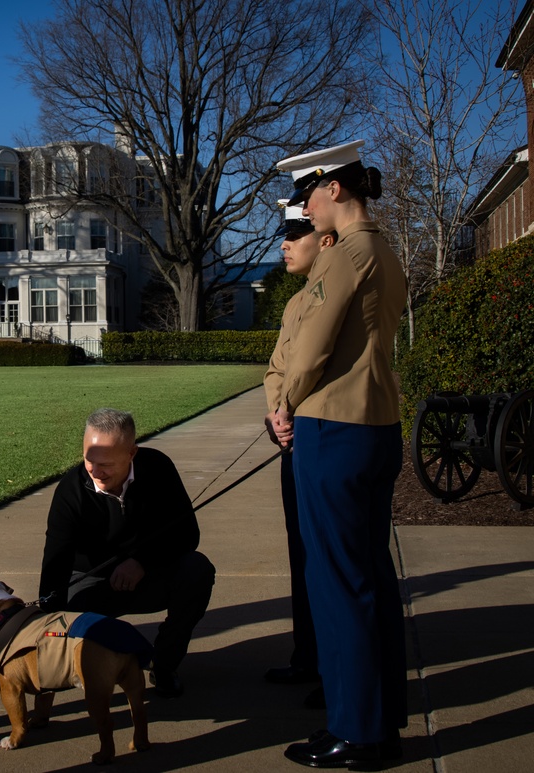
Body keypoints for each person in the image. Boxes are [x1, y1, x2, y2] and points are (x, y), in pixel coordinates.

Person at [272, 140, 408, 768]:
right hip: (377, 423)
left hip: (333, 427)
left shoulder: (346, 255)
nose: (304, 207)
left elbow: (312, 347)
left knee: (338, 584)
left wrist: (285, 403)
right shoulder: (385, 249)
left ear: (334, 188)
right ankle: (381, 715)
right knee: (372, 579)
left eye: (307, 193)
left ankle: (357, 729)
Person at [38, 408, 216, 699]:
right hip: (92, 582)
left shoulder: (158, 468)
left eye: (106, 463)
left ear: (132, 453)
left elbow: (187, 534)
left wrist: (142, 562)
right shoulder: (71, 490)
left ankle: (164, 665)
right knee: (64, 611)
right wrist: (46, 616)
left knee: (197, 570)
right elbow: (56, 557)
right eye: (88, 460)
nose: (95, 471)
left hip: (149, 575)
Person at [262, 201, 337, 708]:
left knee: (325, 559)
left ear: (324, 239)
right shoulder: (294, 304)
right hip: (294, 439)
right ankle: (308, 655)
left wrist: (286, 409)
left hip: (323, 434)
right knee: (300, 553)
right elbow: (276, 369)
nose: (284, 244)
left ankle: (333, 668)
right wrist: (276, 414)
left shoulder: (333, 291)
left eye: (295, 234)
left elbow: (312, 364)